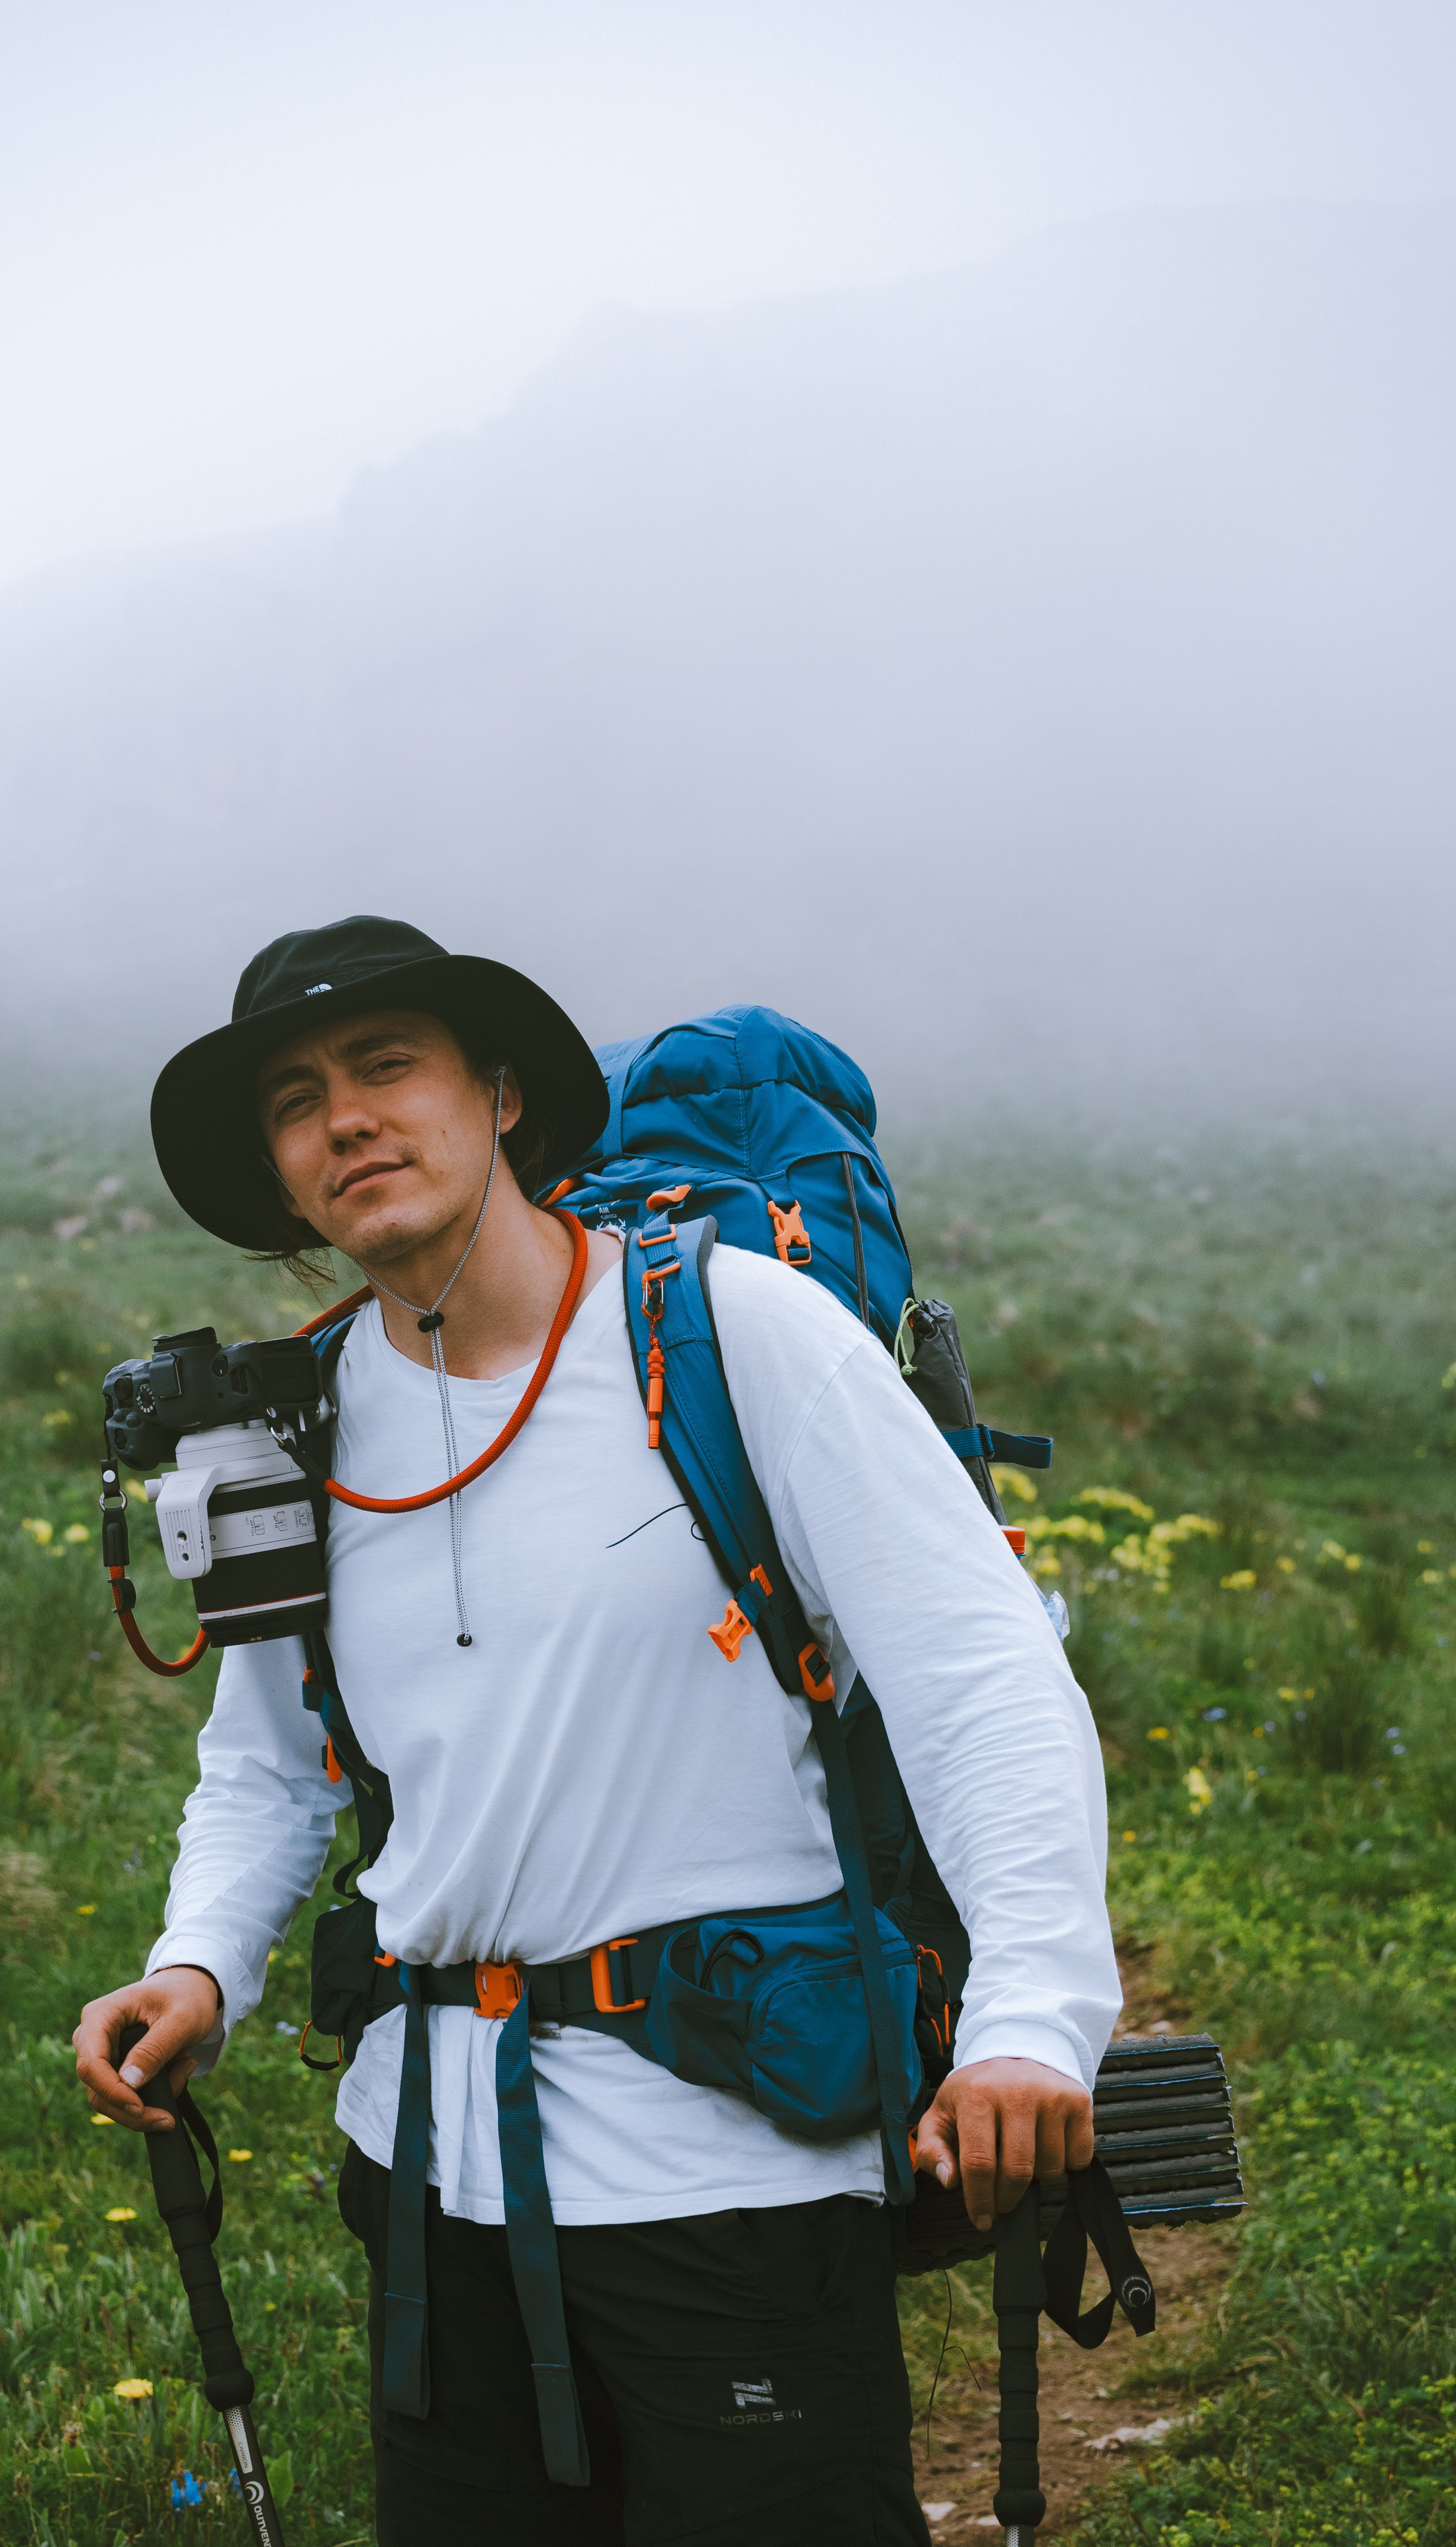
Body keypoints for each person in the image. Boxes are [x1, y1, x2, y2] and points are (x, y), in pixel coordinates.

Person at [72, 914, 1118, 2546]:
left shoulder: (733, 1335)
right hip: (427, 2180)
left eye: (385, 1065)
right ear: (280, 1177)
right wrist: (200, 1960)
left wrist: (1030, 2021)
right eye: (295, 1098)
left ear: (500, 1095)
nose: (344, 1117)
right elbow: (272, 1760)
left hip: (736, 2171)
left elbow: (981, 1679)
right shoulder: (293, 1428)